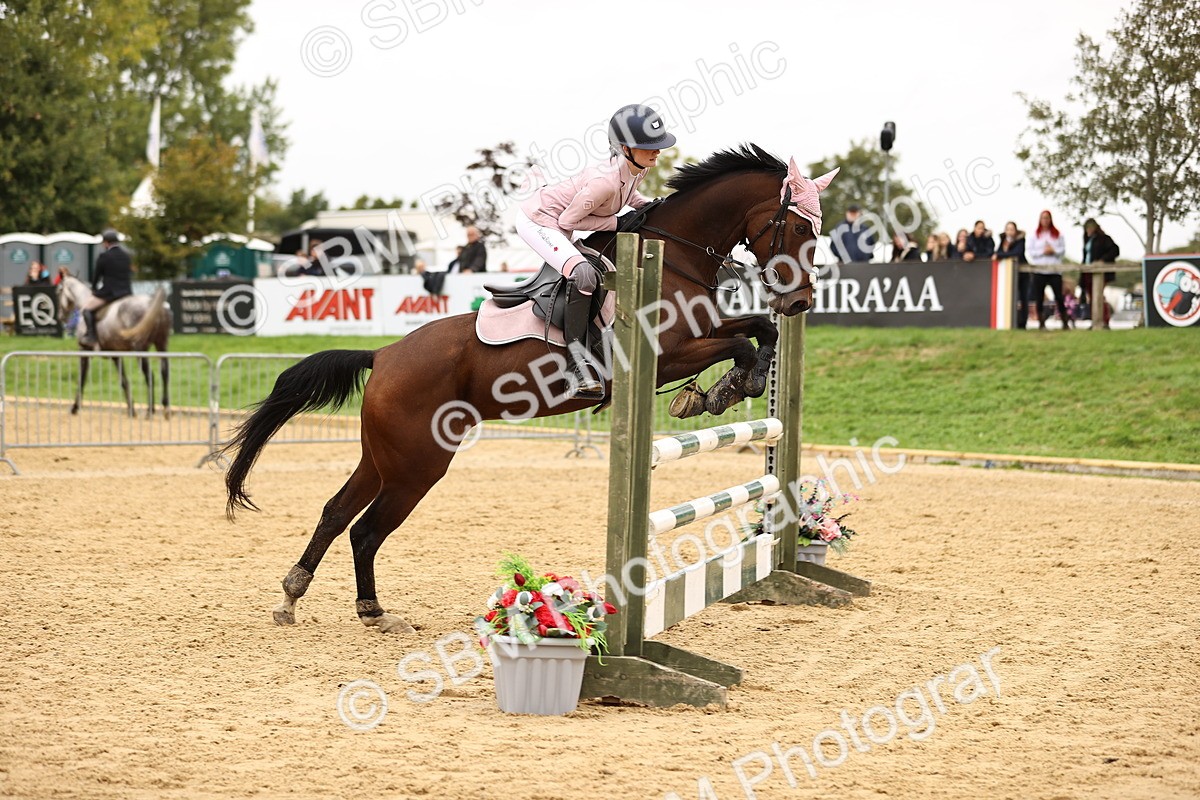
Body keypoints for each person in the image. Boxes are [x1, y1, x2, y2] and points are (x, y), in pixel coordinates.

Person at [517, 103, 674, 399]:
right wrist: (617, 221)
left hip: (558, 221)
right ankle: (576, 367)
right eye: (649, 146)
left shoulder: (636, 169)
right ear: (625, 148)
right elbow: (568, 221)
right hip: (538, 220)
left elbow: (632, 197)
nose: (657, 151)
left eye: (658, 145)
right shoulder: (604, 181)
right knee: (585, 275)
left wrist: (658, 206)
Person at [79, 229, 133, 346]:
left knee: (87, 309)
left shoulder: (104, 256)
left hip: (110, 293)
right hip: (127, 292)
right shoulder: (126, 256)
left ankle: (91, 336)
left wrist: (94, 290)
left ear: (106, 243)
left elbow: (96, 276)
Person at [1025, 210, 1070, 329]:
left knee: (1059, 297)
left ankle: (1065, 322)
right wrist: (1043, 252)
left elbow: (1062, 251)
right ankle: (1041, 322)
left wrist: (1053, 251)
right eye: (1043, 218)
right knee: (1039, 297)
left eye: (1047, 218)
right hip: (1039, 271)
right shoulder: (1034, 235)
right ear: (1040, 220)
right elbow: (1031, 252)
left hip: (1054, 270)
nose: (1045, 220)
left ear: (1050, 219)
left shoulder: (1058, 234)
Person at [1081, 217, 1119, 327]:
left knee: (1098, 296)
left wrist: (1103, 260)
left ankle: (1104, 320)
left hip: (1100, 272)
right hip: (1088, 271)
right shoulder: (1087, 239)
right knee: (1092, 297)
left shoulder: (1104, 239)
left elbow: (1115, 250)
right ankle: (1095, 320)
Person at [996, 222, 1034, 328]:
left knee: (1023, 298)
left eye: (1011, 229)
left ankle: (1023, 323)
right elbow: (998, 252)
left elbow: (1017, 253)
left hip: (1022, 274)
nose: (1009, 232)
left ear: (1015, 231)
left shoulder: (1020, 240)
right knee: (1010, 297)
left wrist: (1001, 255)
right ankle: (1010, 321)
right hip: (1008, 274)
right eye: (1007, 229)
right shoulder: (1003, 241)